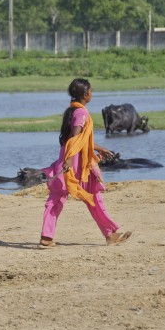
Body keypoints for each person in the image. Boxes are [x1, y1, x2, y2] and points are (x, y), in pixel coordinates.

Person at [39, 78, 132, 248]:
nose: (92, 94)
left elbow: (80, 139)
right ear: (85, 94)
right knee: (92, 198)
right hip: (76, 164)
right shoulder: (81, 113)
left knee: (59, 198)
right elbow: (75, 139)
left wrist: (98, 148)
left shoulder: (73, 110)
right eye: (91, 91)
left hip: (72, 160)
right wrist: (69, 160)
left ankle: (47, 237)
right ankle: (109, 234)